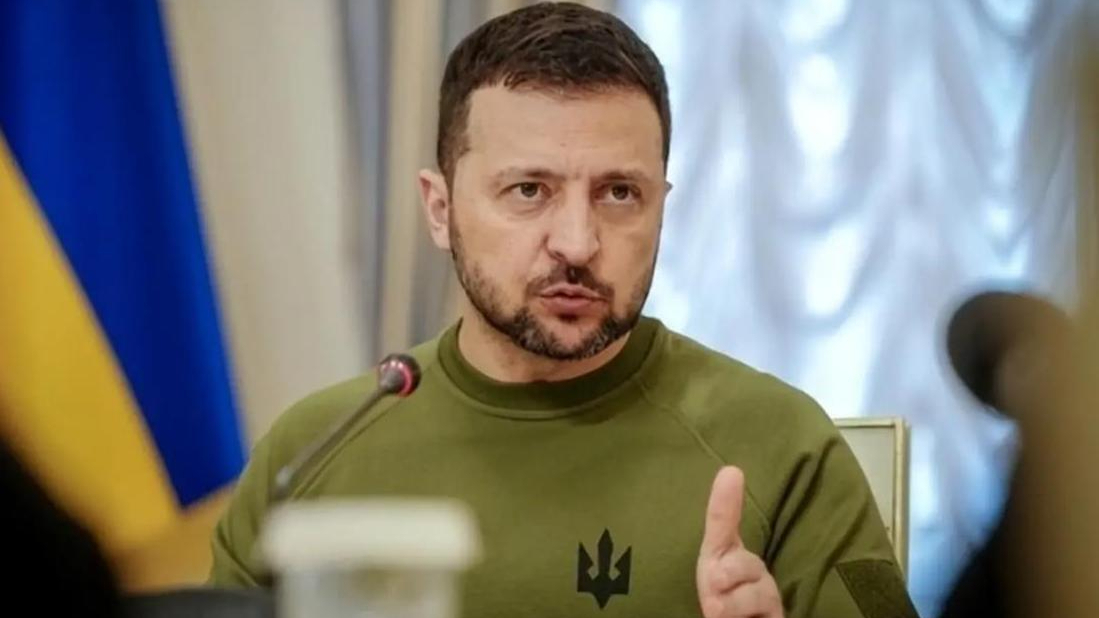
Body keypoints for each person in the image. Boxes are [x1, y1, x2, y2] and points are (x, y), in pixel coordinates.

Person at [209, 3, 916, 617]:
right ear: (440, 208)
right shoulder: (312, 453)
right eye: (529, 190)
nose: (577, 244)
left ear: (662, 207)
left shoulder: (783, 445)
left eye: (619, 193)